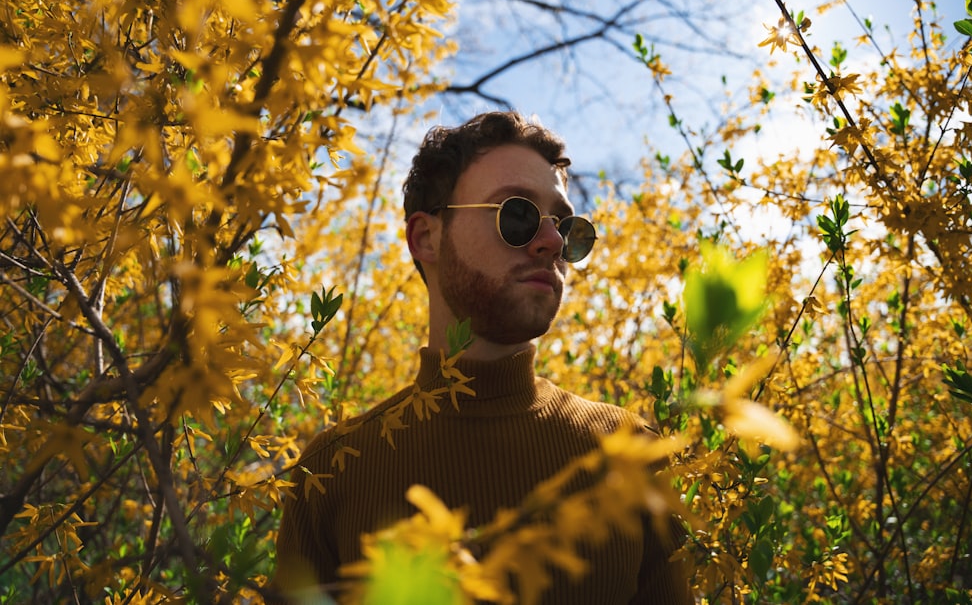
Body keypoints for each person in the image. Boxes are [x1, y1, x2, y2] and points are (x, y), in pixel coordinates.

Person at [272, 111, 693, 603]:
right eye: (517, 214)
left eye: (567, 225)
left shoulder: (633, 456)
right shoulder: (333, 473)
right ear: (426, 238)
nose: (553, 242)